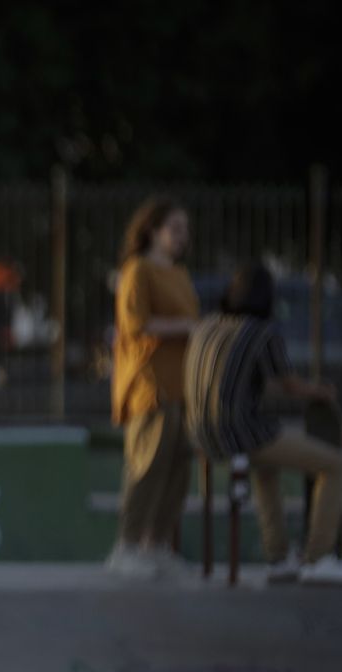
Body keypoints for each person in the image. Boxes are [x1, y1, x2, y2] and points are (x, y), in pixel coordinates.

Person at [185, 263, 342, 586]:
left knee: (267, 467)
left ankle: (278, 558)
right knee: (335, 465)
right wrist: (320, 391)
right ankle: (318, 558)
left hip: (200, 434)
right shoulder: (260, 331)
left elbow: (237, 379)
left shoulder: (207, 325)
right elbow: (290, 385)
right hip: (239, 432)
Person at [107, 197, 199, 580]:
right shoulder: (137, 271)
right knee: (146, 468)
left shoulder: (179, 274)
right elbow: (135, 326)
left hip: (184, 388)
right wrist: (188, 328)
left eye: (185, 230)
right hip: (149, 386)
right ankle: (126, 548)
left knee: (177, 470)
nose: (182, 237)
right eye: (174, 229)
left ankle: (157, 546)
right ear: (152, 231)